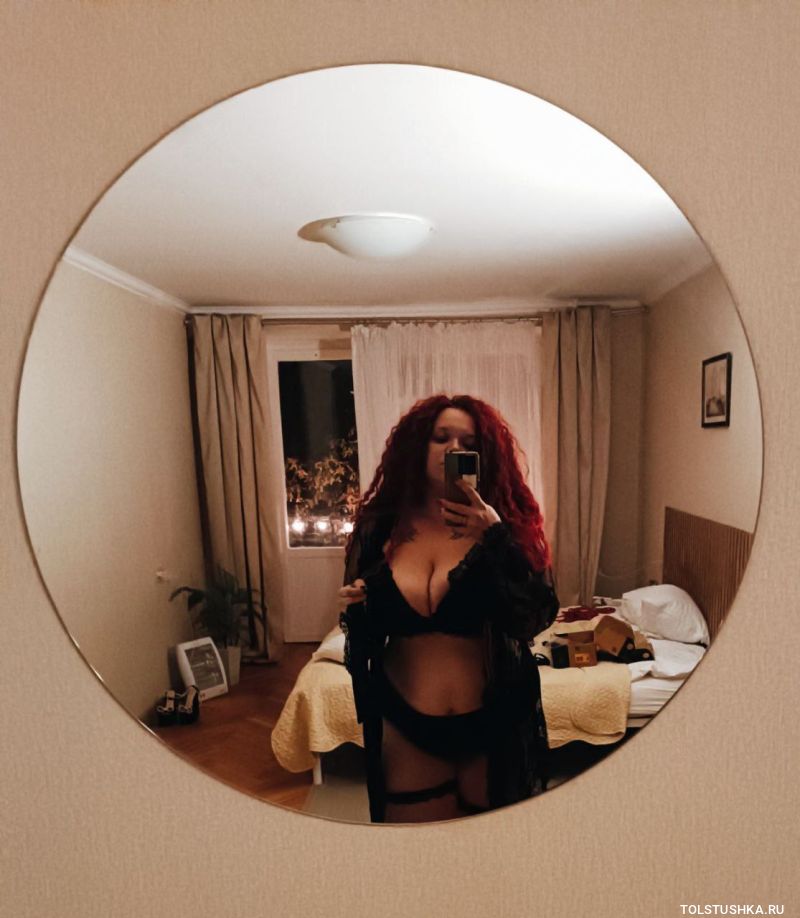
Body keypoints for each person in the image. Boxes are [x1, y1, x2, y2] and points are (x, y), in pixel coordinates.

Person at [338, 394, 559, 823]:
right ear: (417, 445)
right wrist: (365, 600)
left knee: (487, 851)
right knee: (415, 850)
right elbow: (365, 635)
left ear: (484, 456)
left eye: (468, 443)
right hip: (405, 720)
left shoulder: (503, 526)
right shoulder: (381, 526)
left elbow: (534, 616)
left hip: (492, 720)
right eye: (440, 438)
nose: (453, 448)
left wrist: (494, 538)